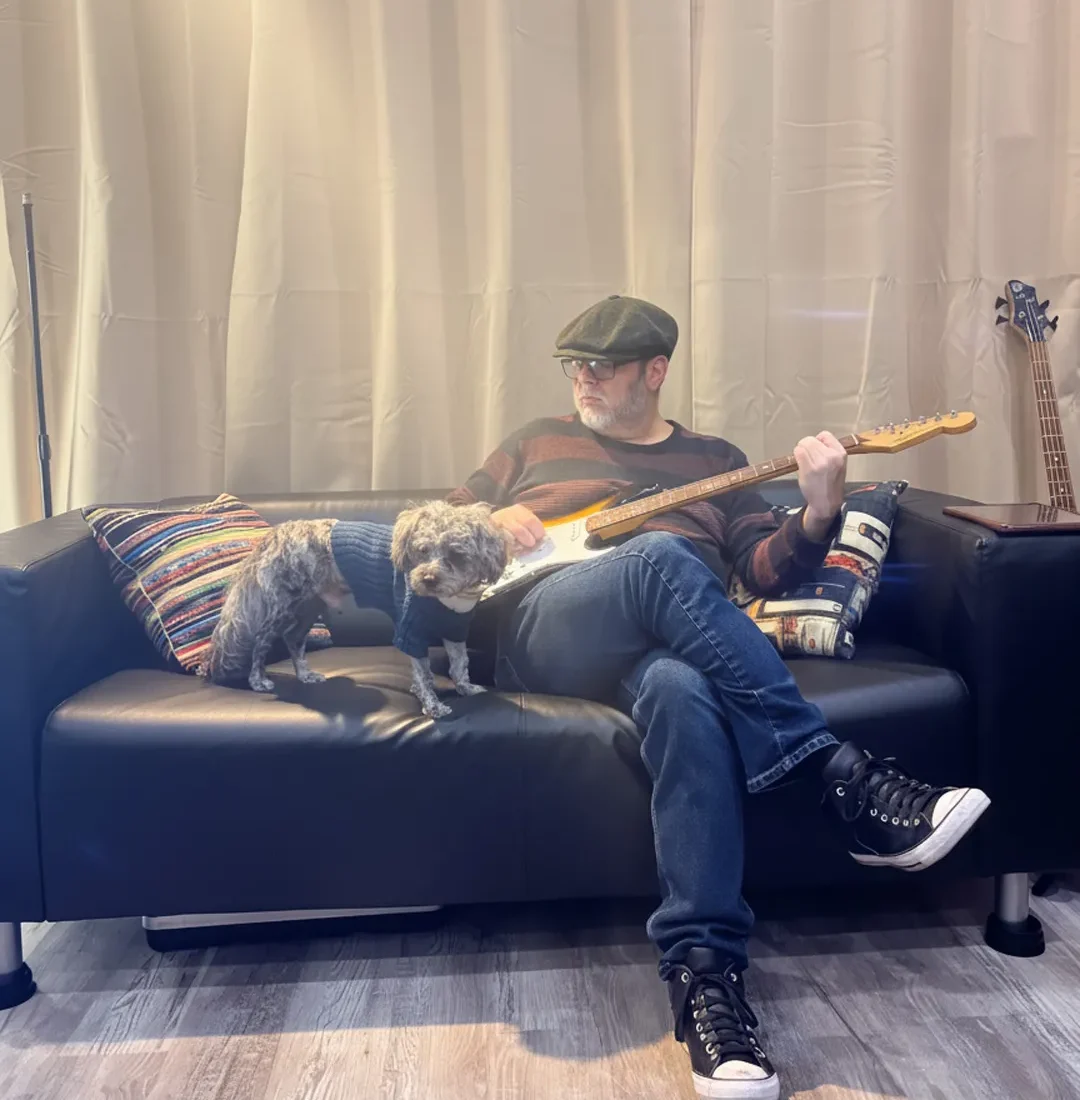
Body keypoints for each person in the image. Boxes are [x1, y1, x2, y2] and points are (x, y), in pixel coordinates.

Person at [446, 295, 989, 1100]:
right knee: (663, 559)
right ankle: (839, 777)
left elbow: (765, 572)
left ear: (655, 372)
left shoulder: (717, 460)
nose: (583, 379)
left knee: (681, 688)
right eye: (574, 365)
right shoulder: (534, 442)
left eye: (602, 366)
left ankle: (708, 981)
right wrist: (494, 517)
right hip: (547, 630)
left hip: (663, 651)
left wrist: (821, 508)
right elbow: (441, 535)